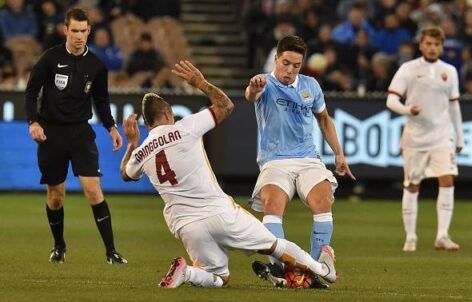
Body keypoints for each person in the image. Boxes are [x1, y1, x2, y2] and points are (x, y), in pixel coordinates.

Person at [119, 60, 337, 289]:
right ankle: (325, 270)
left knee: (219, 279)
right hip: (218, 212)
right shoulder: (185, 127)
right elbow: (226, 105)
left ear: (146, 122)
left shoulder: (141, 152)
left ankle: (188, 273)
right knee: (274, 245)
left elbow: (126, 174)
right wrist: (201, 83)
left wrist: (132, 143)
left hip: (185, 225)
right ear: (167, 113)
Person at [245, 35, 354, 286]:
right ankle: (282, 270)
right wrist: (253, 86)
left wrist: (338, 153)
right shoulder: (264, 83)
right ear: (276, 58)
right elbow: (251, 94)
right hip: (275, 162)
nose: (290, 70)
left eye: (296, 65)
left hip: (307, 159)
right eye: (286, 63)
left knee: (323, 198)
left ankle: (315, 270)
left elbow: (324, 119)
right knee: (272, 204)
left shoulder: (310, 86)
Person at [25, 7, 127, 264]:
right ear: (65, 30)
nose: (80, 36)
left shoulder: (96, 65)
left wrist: (111, 127)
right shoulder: (50, 59)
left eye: (84, 31)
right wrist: (33, 123)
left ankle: (111, 252)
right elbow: (30, 91)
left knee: (93, 191)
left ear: (89, 31)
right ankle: (59, 246)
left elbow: (101, 100)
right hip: (51, 134)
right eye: (75, 31)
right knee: (55, 196)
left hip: (81, 133)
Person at [386, 26, 464, 252]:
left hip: (442, 135)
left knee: (447, 179)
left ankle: (442, 235)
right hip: (415, 138)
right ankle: (410, 237)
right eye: (428, 44)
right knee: (412, 185)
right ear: (421, 45)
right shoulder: (408, 69)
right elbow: (391, 100)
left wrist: (459, 136)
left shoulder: (449, 70)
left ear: (442, 46)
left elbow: (454, 104)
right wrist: (408, 110)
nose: (432, 48)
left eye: (436, 44)